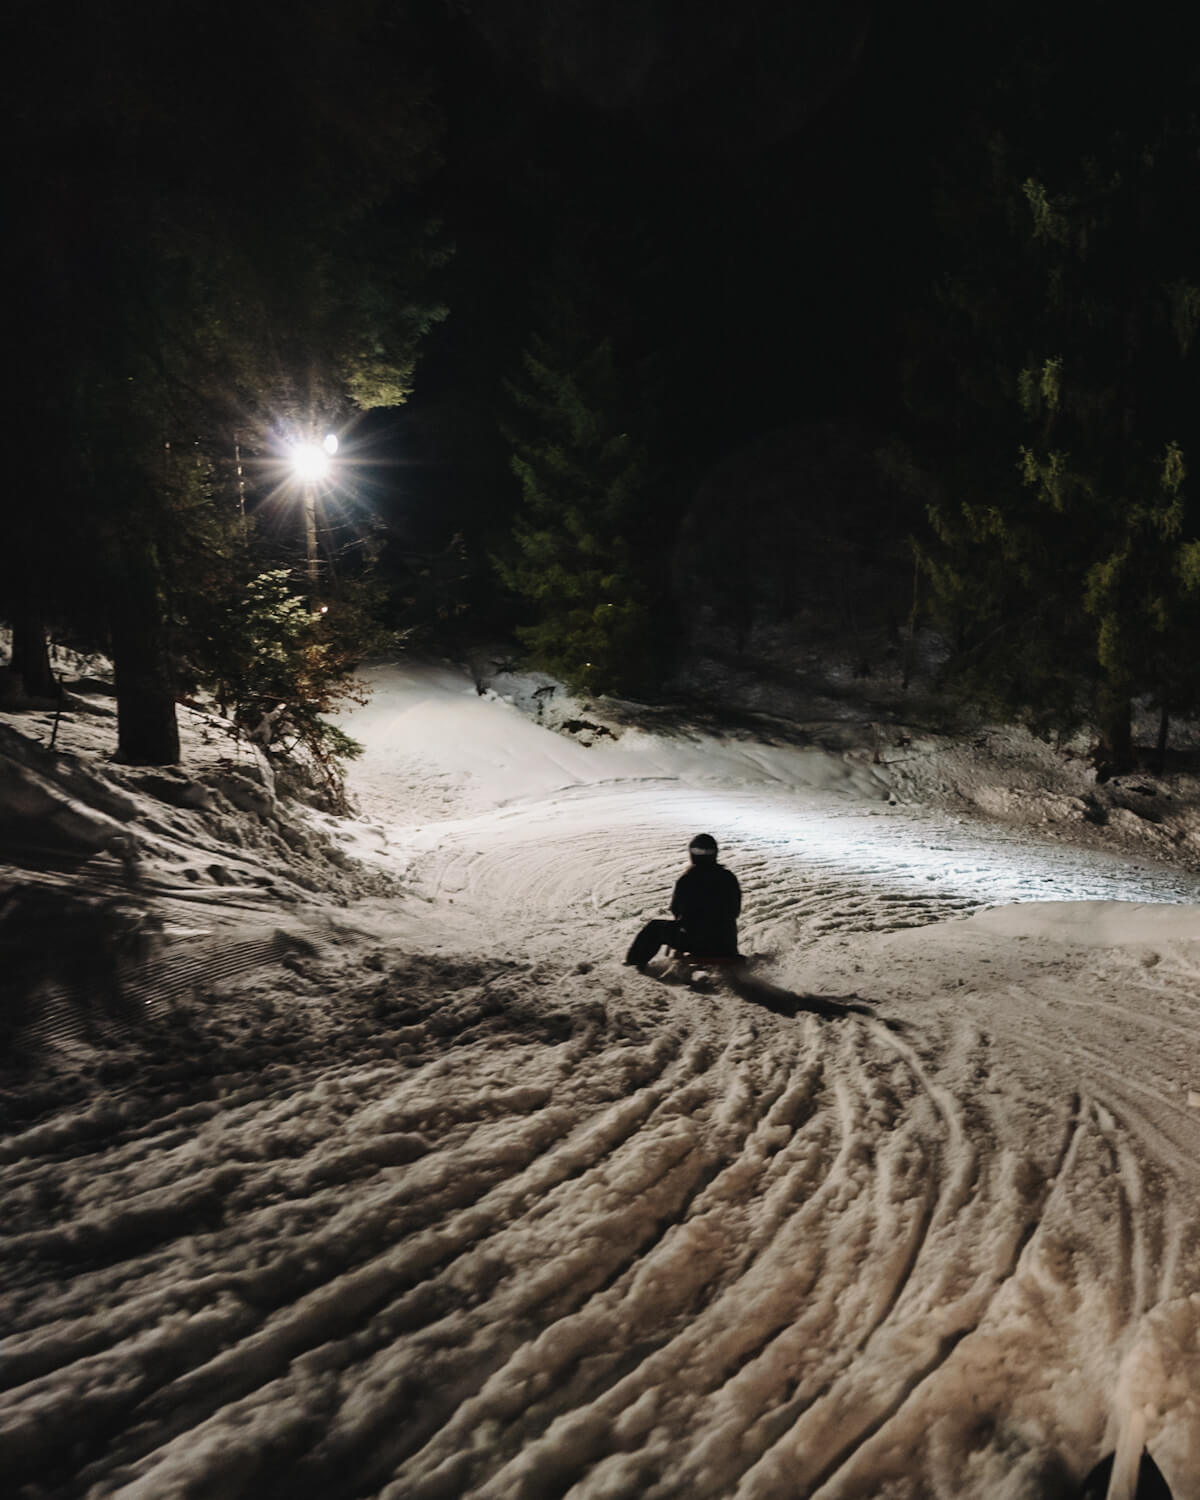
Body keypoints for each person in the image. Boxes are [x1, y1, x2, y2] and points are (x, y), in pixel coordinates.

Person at [624, 833, 742, 970]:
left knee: (655, 928)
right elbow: (735, 911)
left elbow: (676, 909)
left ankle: (634, 963)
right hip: (726, 944)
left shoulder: (688, 879)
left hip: (697, 943)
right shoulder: (728, 877)